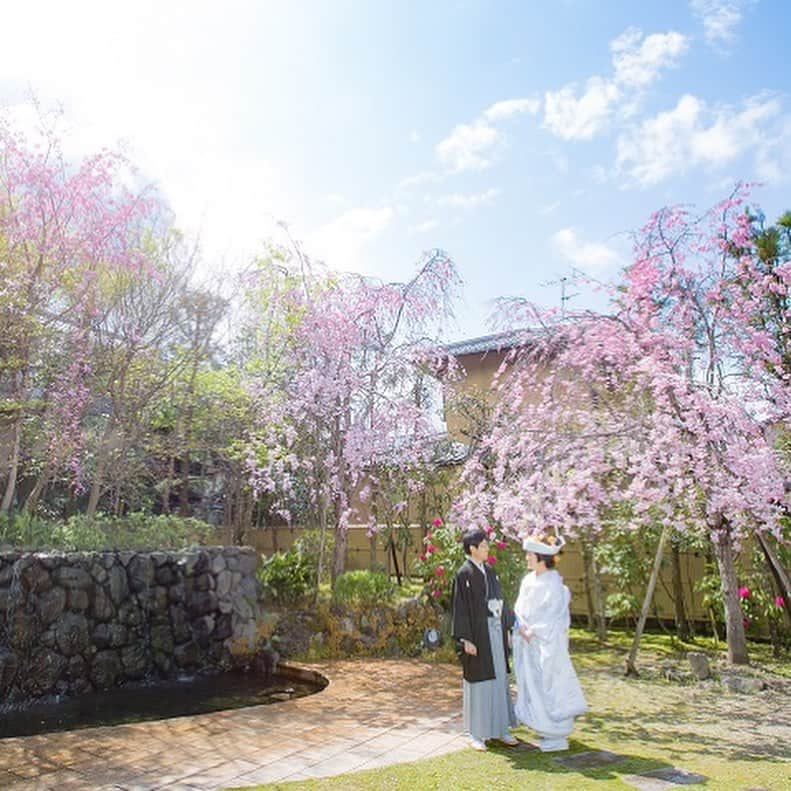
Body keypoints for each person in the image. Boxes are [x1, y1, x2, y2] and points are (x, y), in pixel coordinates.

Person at [512, 532, 587, 752]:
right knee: (533, 685)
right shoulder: (528, 580)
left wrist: (533, 630)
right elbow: (519, 607)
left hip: (547, 644)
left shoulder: (554, 585)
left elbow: (553, 616)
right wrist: (522, 626)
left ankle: (557, 732)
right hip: (529, 643)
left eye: (529, 555)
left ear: (540, 557)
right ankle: (544, 728)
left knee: (551, 685)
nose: (526, 558)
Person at [451, 528, 517, 751]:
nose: (487, 549)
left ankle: (500, 729)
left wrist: (507, 628)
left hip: (496, 630)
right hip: (477, 634)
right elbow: (459, 608)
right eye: (484, 545)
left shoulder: (489, 571)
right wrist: (464, 639)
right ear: (472, 548)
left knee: (499, 678)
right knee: (479, 681)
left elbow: (501, 598)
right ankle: (476, 733)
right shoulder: (464, 574)